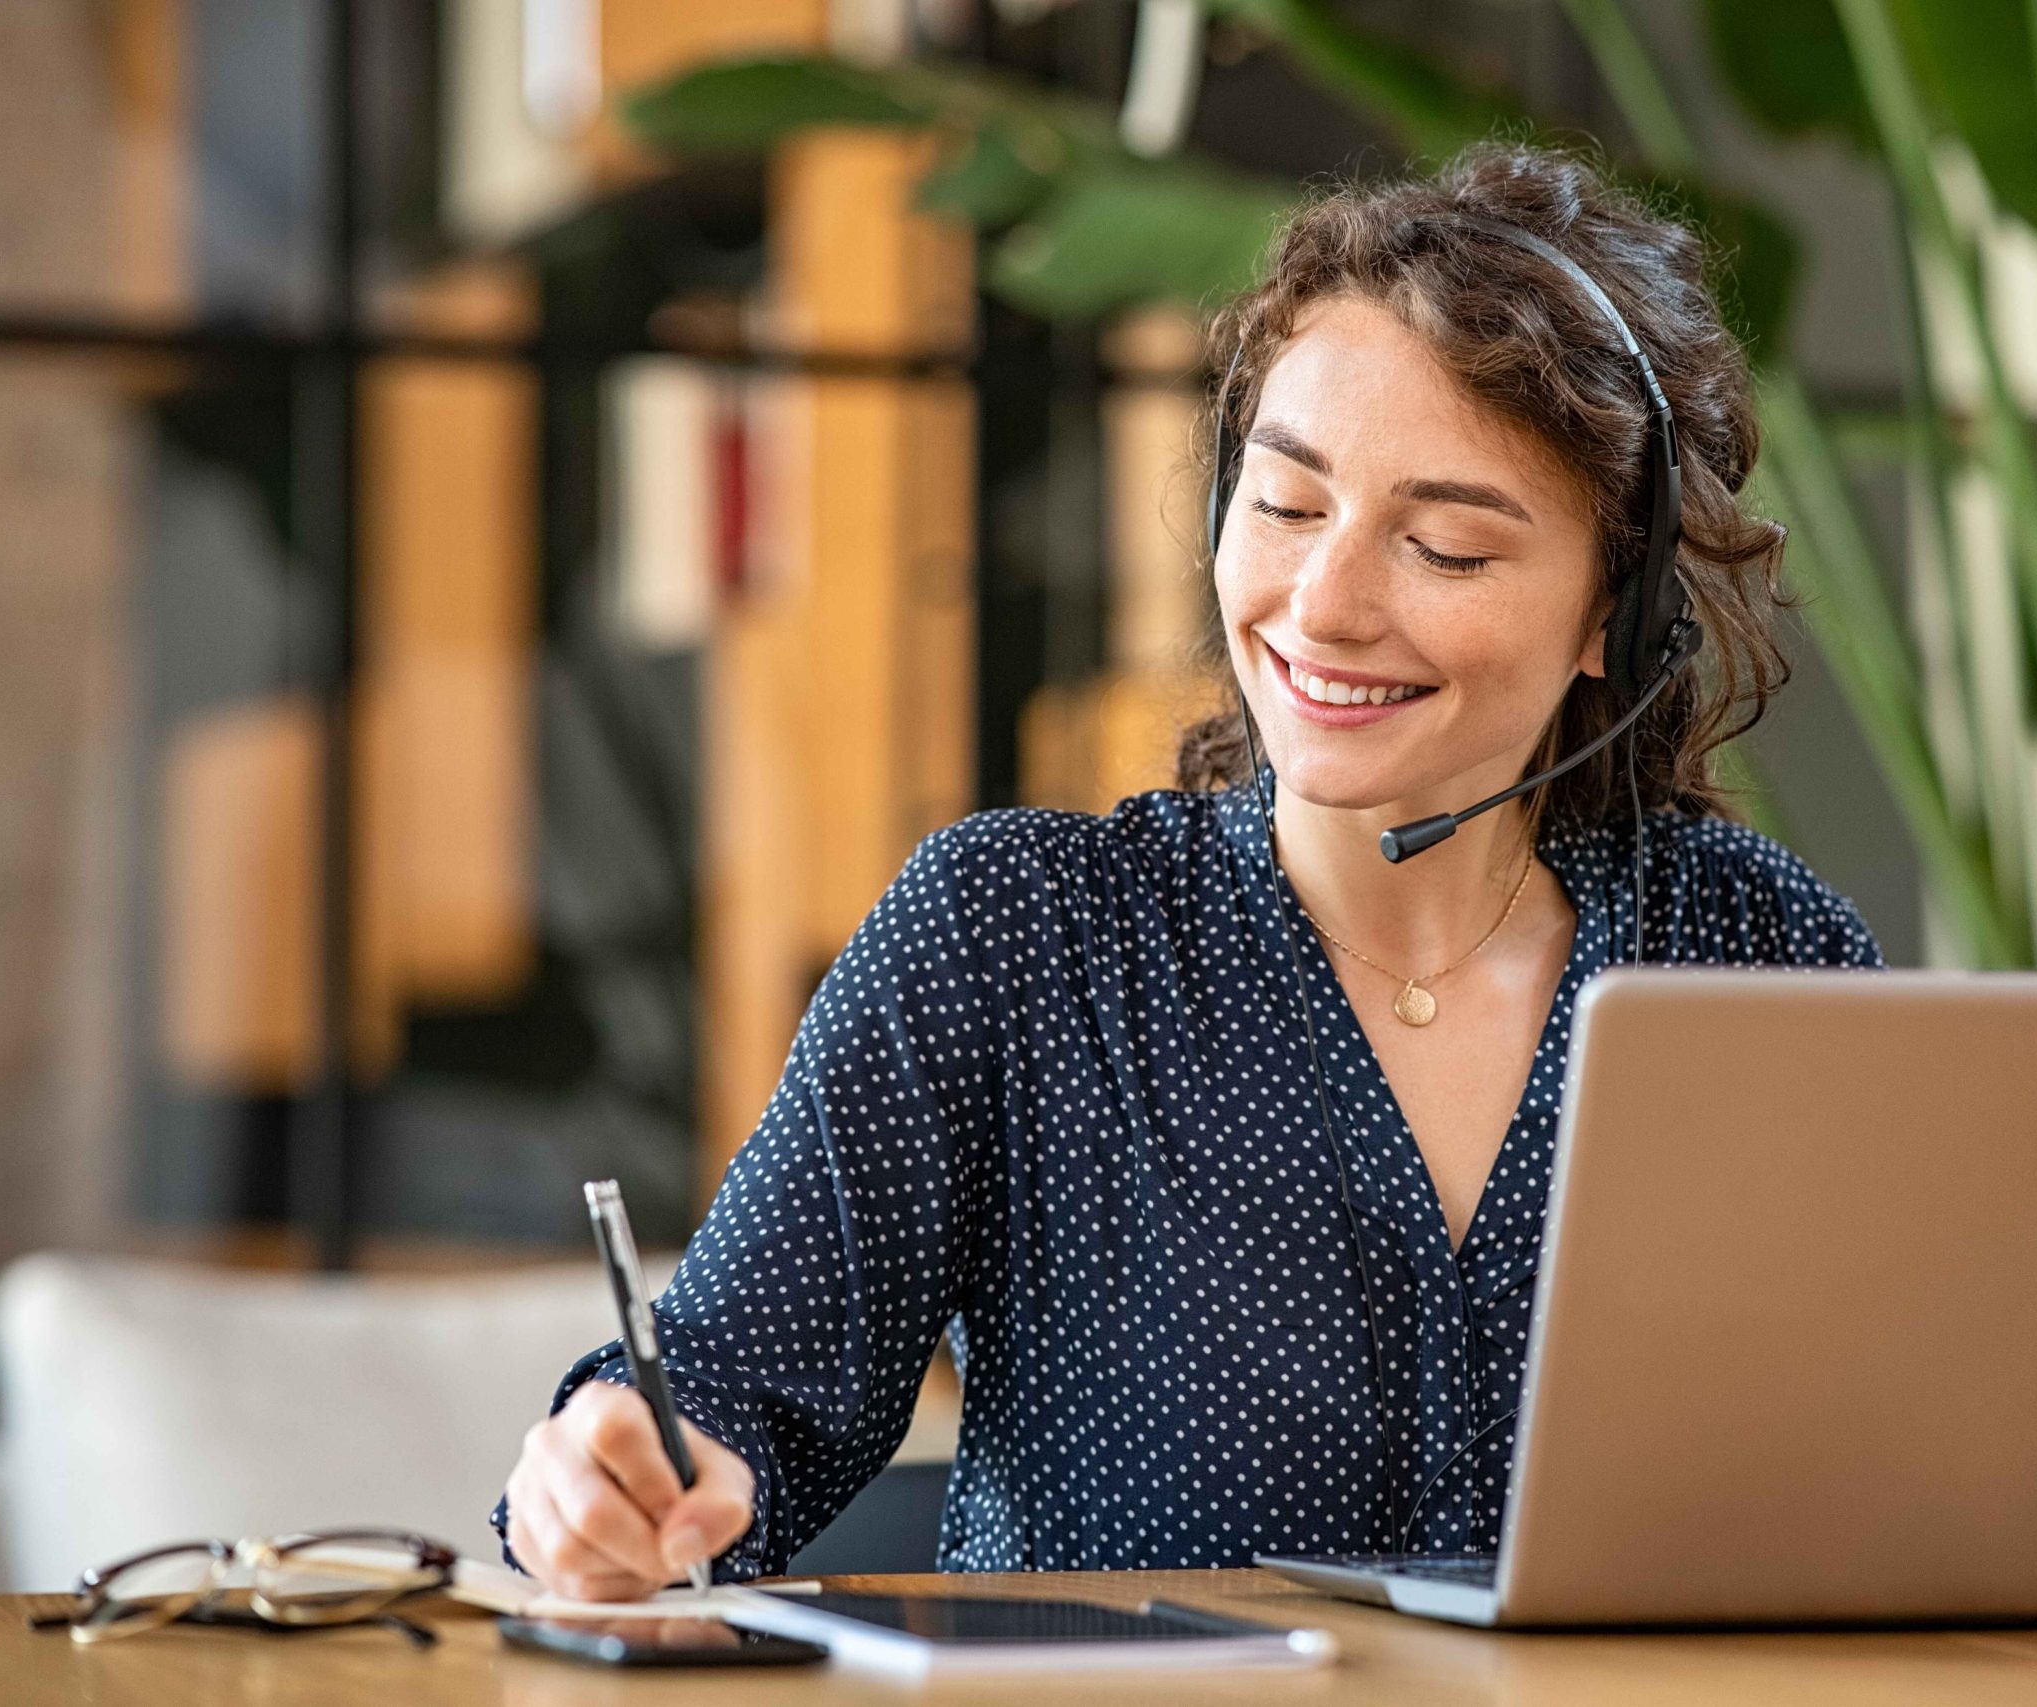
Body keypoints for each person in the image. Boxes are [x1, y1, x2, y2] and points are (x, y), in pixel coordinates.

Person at [496, 139, 1884, 1599]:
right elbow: (711, 1415)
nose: (1324, 606)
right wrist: (605, 1481)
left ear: (1620, 610)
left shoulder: (1758, 958)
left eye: (1448, 550)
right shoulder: (1016, 936)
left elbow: (1905, 1457)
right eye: (1286, 508)